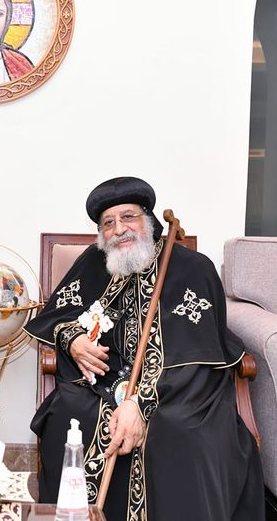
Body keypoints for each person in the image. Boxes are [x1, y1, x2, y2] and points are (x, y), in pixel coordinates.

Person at [25, 177, 264, 520]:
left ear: (148, 219)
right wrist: (73, 339)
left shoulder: (193, 269)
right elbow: (58, 314)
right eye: (108, 223)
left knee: (183, 432)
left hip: (178, 390)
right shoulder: (93, 263)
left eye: (128, 217)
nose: (119, 229)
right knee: (68, 417)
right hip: (102, 387)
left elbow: (195, 352)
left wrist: (140, 404)